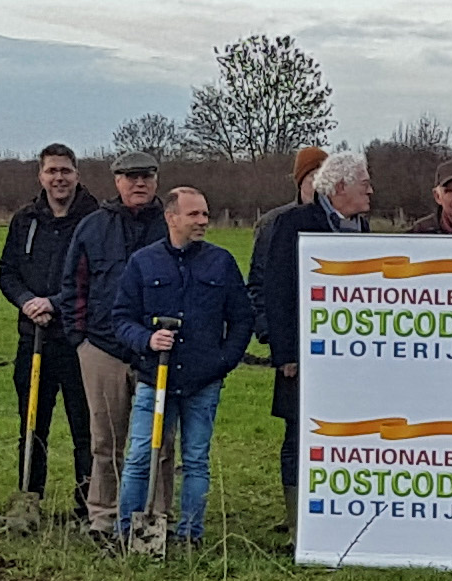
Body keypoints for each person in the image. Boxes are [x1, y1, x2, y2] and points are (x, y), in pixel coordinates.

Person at [109, 187, 255, 547]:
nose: (203, 221)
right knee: (141, 456)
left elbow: (242, 319)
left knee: (195, 460)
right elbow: (121, 317)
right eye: (194, 215)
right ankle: (128, 534)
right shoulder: (143, 262)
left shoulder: (221, 263)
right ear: (171, 218)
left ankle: (191, 535)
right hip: (153, 380)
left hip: (202, 382)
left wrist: (223, 361)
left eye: (205, 214)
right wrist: (146, 340)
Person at [247, 147, 373, 534]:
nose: (371, 192)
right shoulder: (294, 223)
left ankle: (340, 509)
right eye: (365, 185)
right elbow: (278, 289)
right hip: (302, 353)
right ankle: (297, 518)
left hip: (347, 355)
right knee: (299, 430)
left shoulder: (364, 228)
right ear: (339, 187)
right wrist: (285, 352)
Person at [56, 150, 168, 543]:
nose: (139, 183)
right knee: (105, 441)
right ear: (116, 181)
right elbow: (73, 286)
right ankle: (102, 518)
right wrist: (80, 339)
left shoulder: (170, 225)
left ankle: (155, 517)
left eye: (146, 176)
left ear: (156, 180)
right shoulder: (92, 227)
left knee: (159, 441)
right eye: (130, 177)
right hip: (102, 348)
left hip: (159, 351)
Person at [0, 142, 102, 527]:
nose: (59, 178)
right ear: (40, 175)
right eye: (52, 171)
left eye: (66, 171)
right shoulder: (25, 219)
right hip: (33, 339)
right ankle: (28, 499)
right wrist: (27, 302)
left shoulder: (96, 219)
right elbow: (6, 270)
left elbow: (97, 276)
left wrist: (55, 303)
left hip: (79, 339)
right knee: (32, 424)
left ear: (77, 174)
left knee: (86, 427)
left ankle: (88, 504)